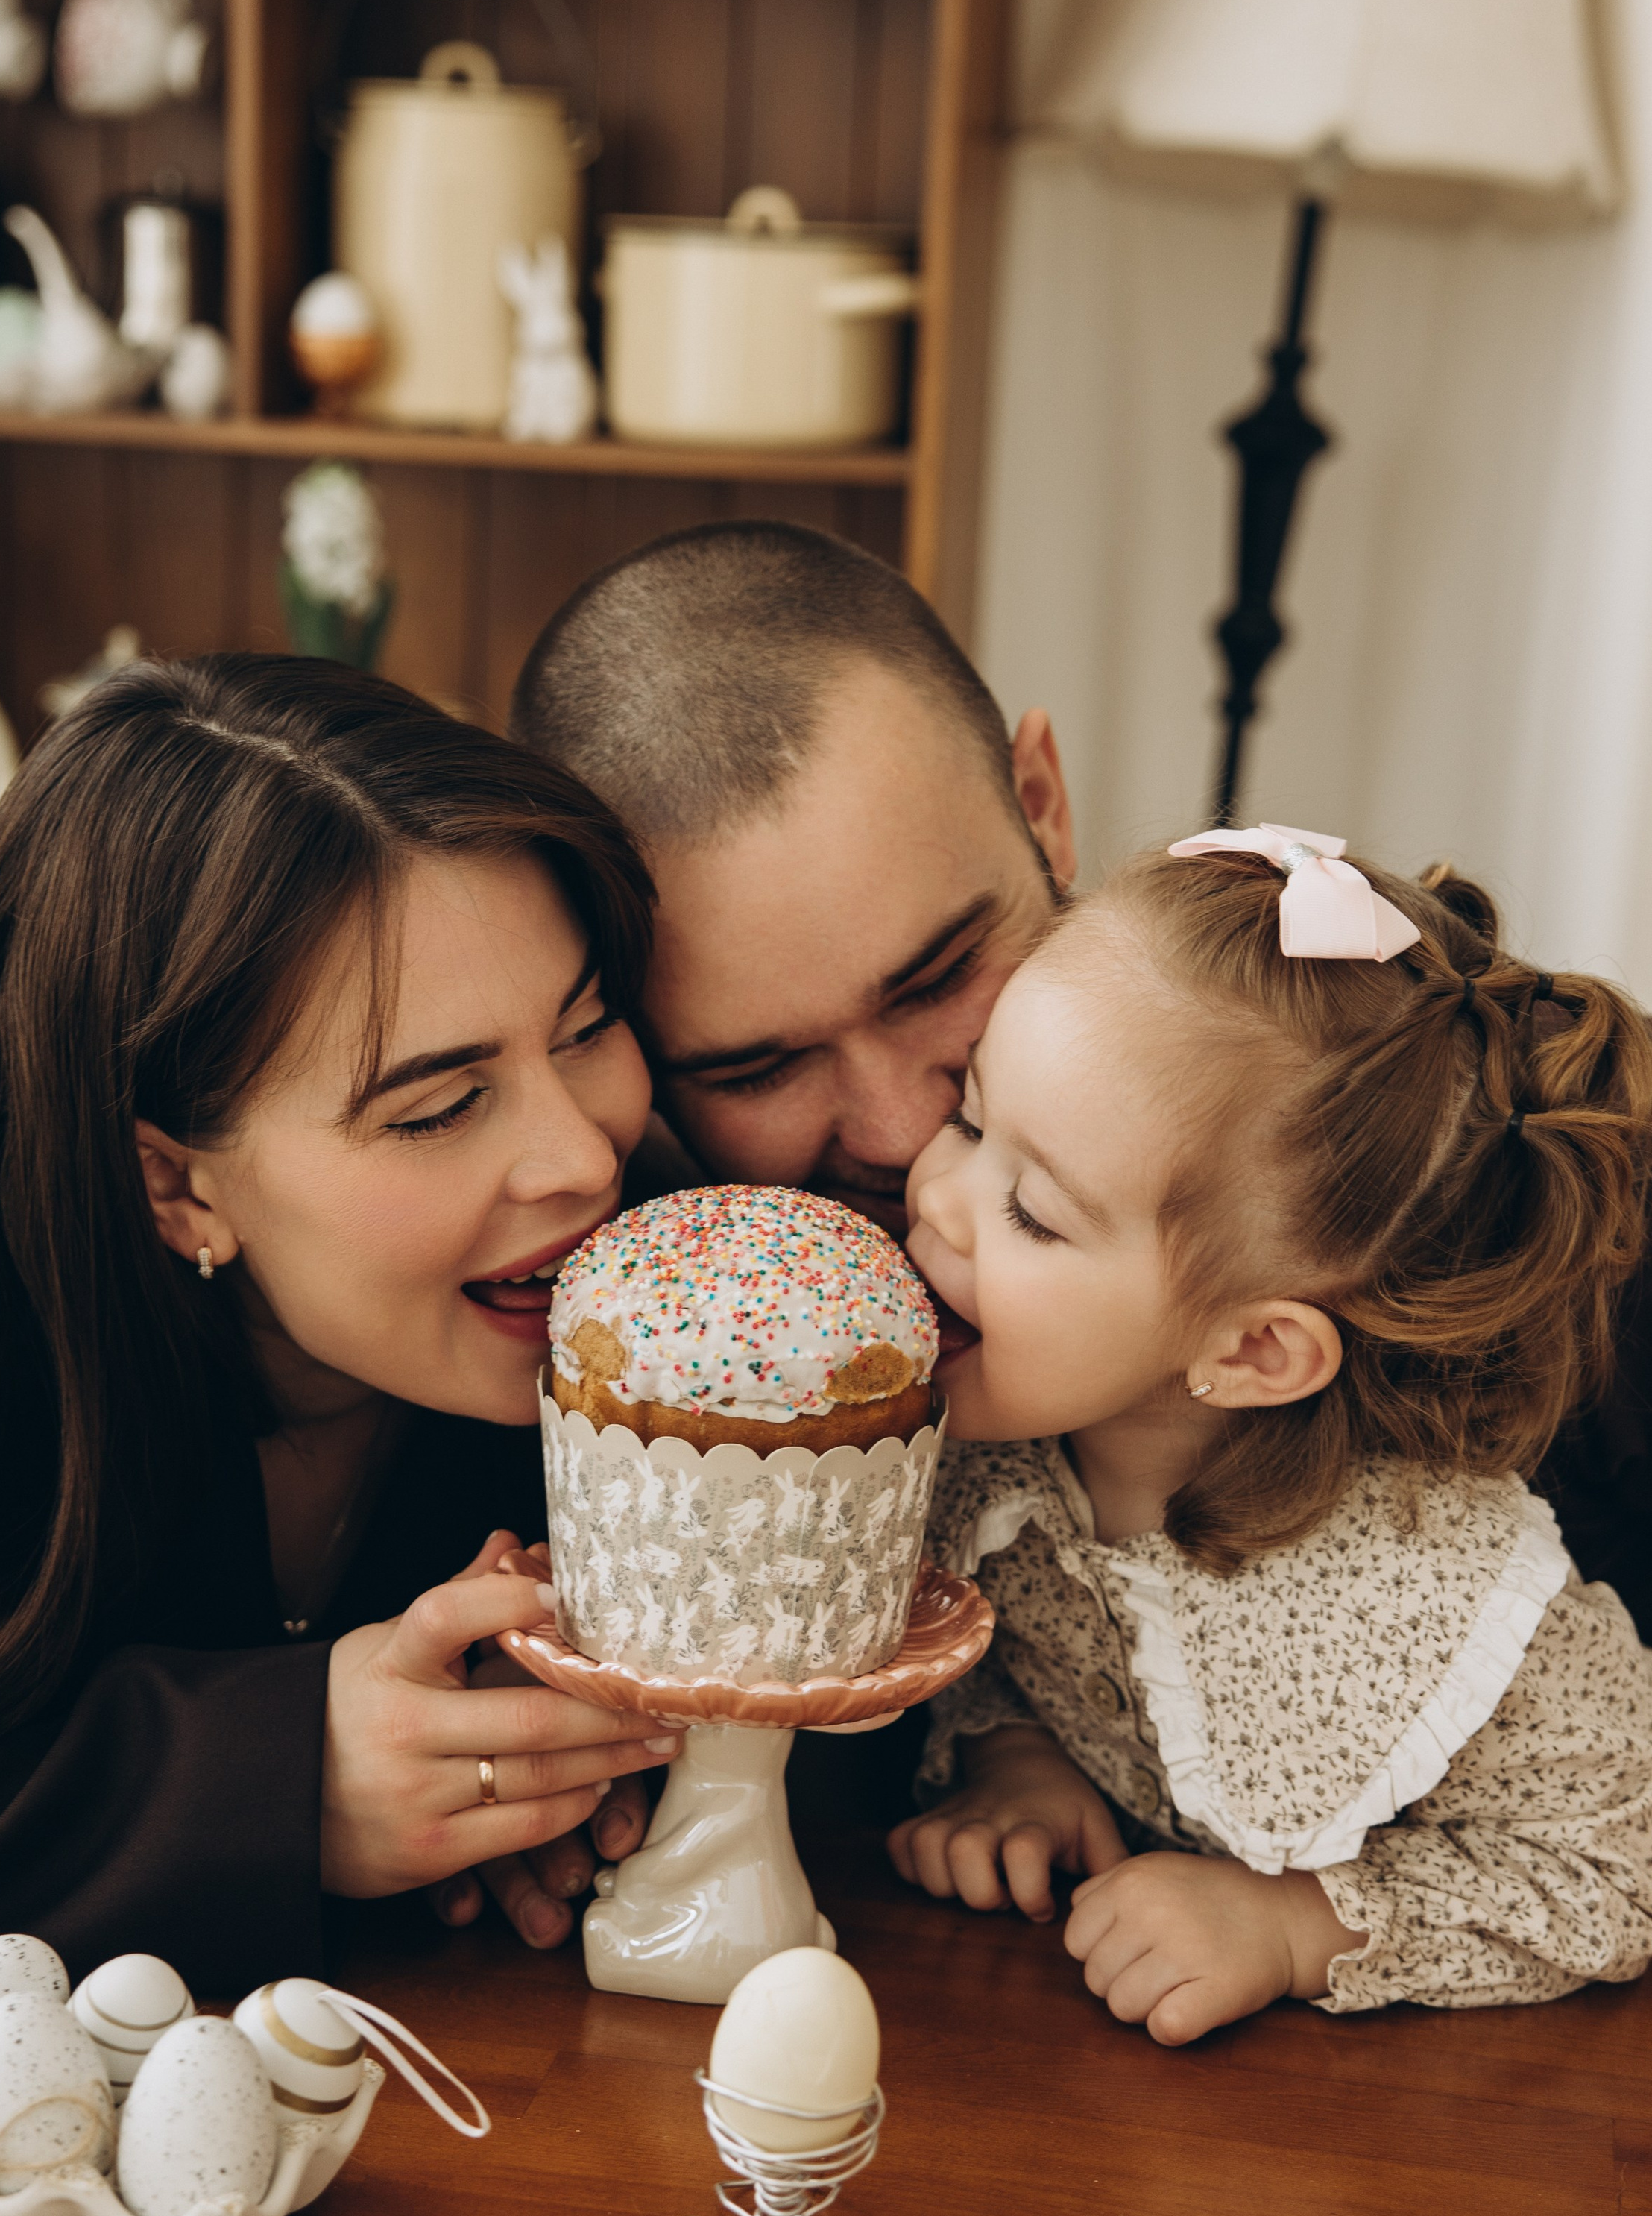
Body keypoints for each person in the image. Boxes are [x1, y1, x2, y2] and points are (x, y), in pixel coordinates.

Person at [508, 520, 1652, 1637]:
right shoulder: (619, 1322)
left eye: (942, 976)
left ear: (1044, 806)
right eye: (758, 1069)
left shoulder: (1501, 1198)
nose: (910, 1137)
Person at [0, 657, 687, 1993]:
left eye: (586, 1028)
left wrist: (521, 1788)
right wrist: (275, 1788)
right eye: (437, 1108)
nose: (582, 1158)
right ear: (174, 1183)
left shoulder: (663, 1254)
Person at [891, 830, 1652, 2042]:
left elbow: (1616, 1874)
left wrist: (1297, 1926)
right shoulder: (990, 1452)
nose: (929, 1194)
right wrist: (1014, 1759)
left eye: (1031, 1211)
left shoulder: (1443, 1592)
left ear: (1251, 1351)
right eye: (971, 1120)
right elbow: (997, 1643)